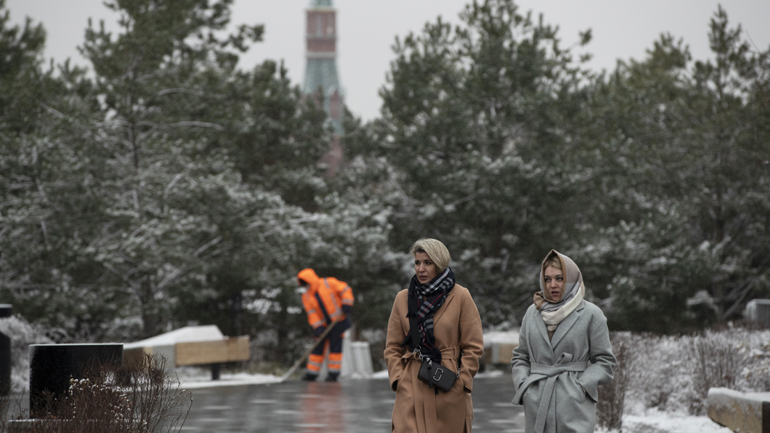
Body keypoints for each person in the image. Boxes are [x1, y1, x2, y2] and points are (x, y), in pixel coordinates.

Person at [384, 238, 484, 433]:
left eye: (427, 263)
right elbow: (392, 347)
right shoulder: (403, 298)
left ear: (439, 263)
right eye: (417, 262)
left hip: (448, 384)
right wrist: (398, 379)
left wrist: (462, 382)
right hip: (411, 385)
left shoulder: (461, 296)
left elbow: (473, 346)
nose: (421, 268)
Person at [511, 249, 616, 433]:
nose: (553, 285)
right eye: (548, 279)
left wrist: (581, 386)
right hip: (537, 402)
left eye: (559, 278)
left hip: (574, 406)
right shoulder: (532, 313)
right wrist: (524, 385)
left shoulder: (591, 314)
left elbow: (605, 362)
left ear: (571, 279)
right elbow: (521, 357)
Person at [297, 268, 354, 382]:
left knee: (335, 347)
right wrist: (317, 326)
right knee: (317, 347)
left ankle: (333, 374)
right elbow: (312, 313)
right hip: (322, 325)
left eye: (306, 283)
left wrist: (346, 303)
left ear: (310, 280)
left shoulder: (329, 283)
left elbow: (345, 289)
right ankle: (312, 374)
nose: (305, 286)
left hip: (338, 321)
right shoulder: (306, 296)